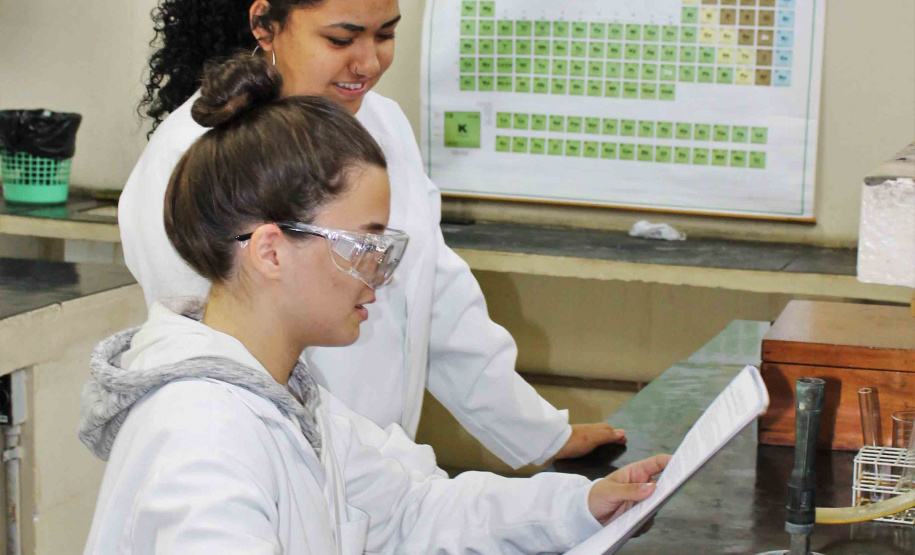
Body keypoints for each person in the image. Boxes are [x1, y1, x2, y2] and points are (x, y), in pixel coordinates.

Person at [81, 55, 669, 554]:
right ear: (271, 251)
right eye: (365, 247)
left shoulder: (295, 402)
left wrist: (582, 506)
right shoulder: (204, 440)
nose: (381, 277)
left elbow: (413, 507)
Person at [119, 0, 625, 470]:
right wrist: (394, 486)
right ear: (264, 25)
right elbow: (226, 365)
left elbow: (437, 296)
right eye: (341, 39)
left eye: (385, 35)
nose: (368, 63)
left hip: (378, 478)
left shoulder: (380, 124)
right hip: (276, 469)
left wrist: (537, 433)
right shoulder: (193, 160)